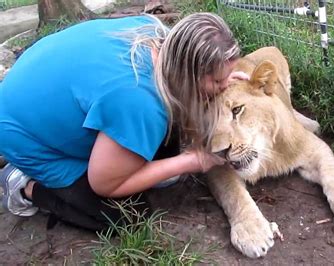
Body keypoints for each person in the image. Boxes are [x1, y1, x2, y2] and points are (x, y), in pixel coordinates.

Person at [0, 12, 248, 231]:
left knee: (157, 149)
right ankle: (23, 186)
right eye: (217, 81)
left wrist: (220, 79)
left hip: (32, 85)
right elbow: (104, 185)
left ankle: (96, 144)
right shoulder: (142, 101)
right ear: (191, 72)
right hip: (21, 133)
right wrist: (191, 161)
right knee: (129, 216)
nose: (224, 85)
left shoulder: (156, 32)